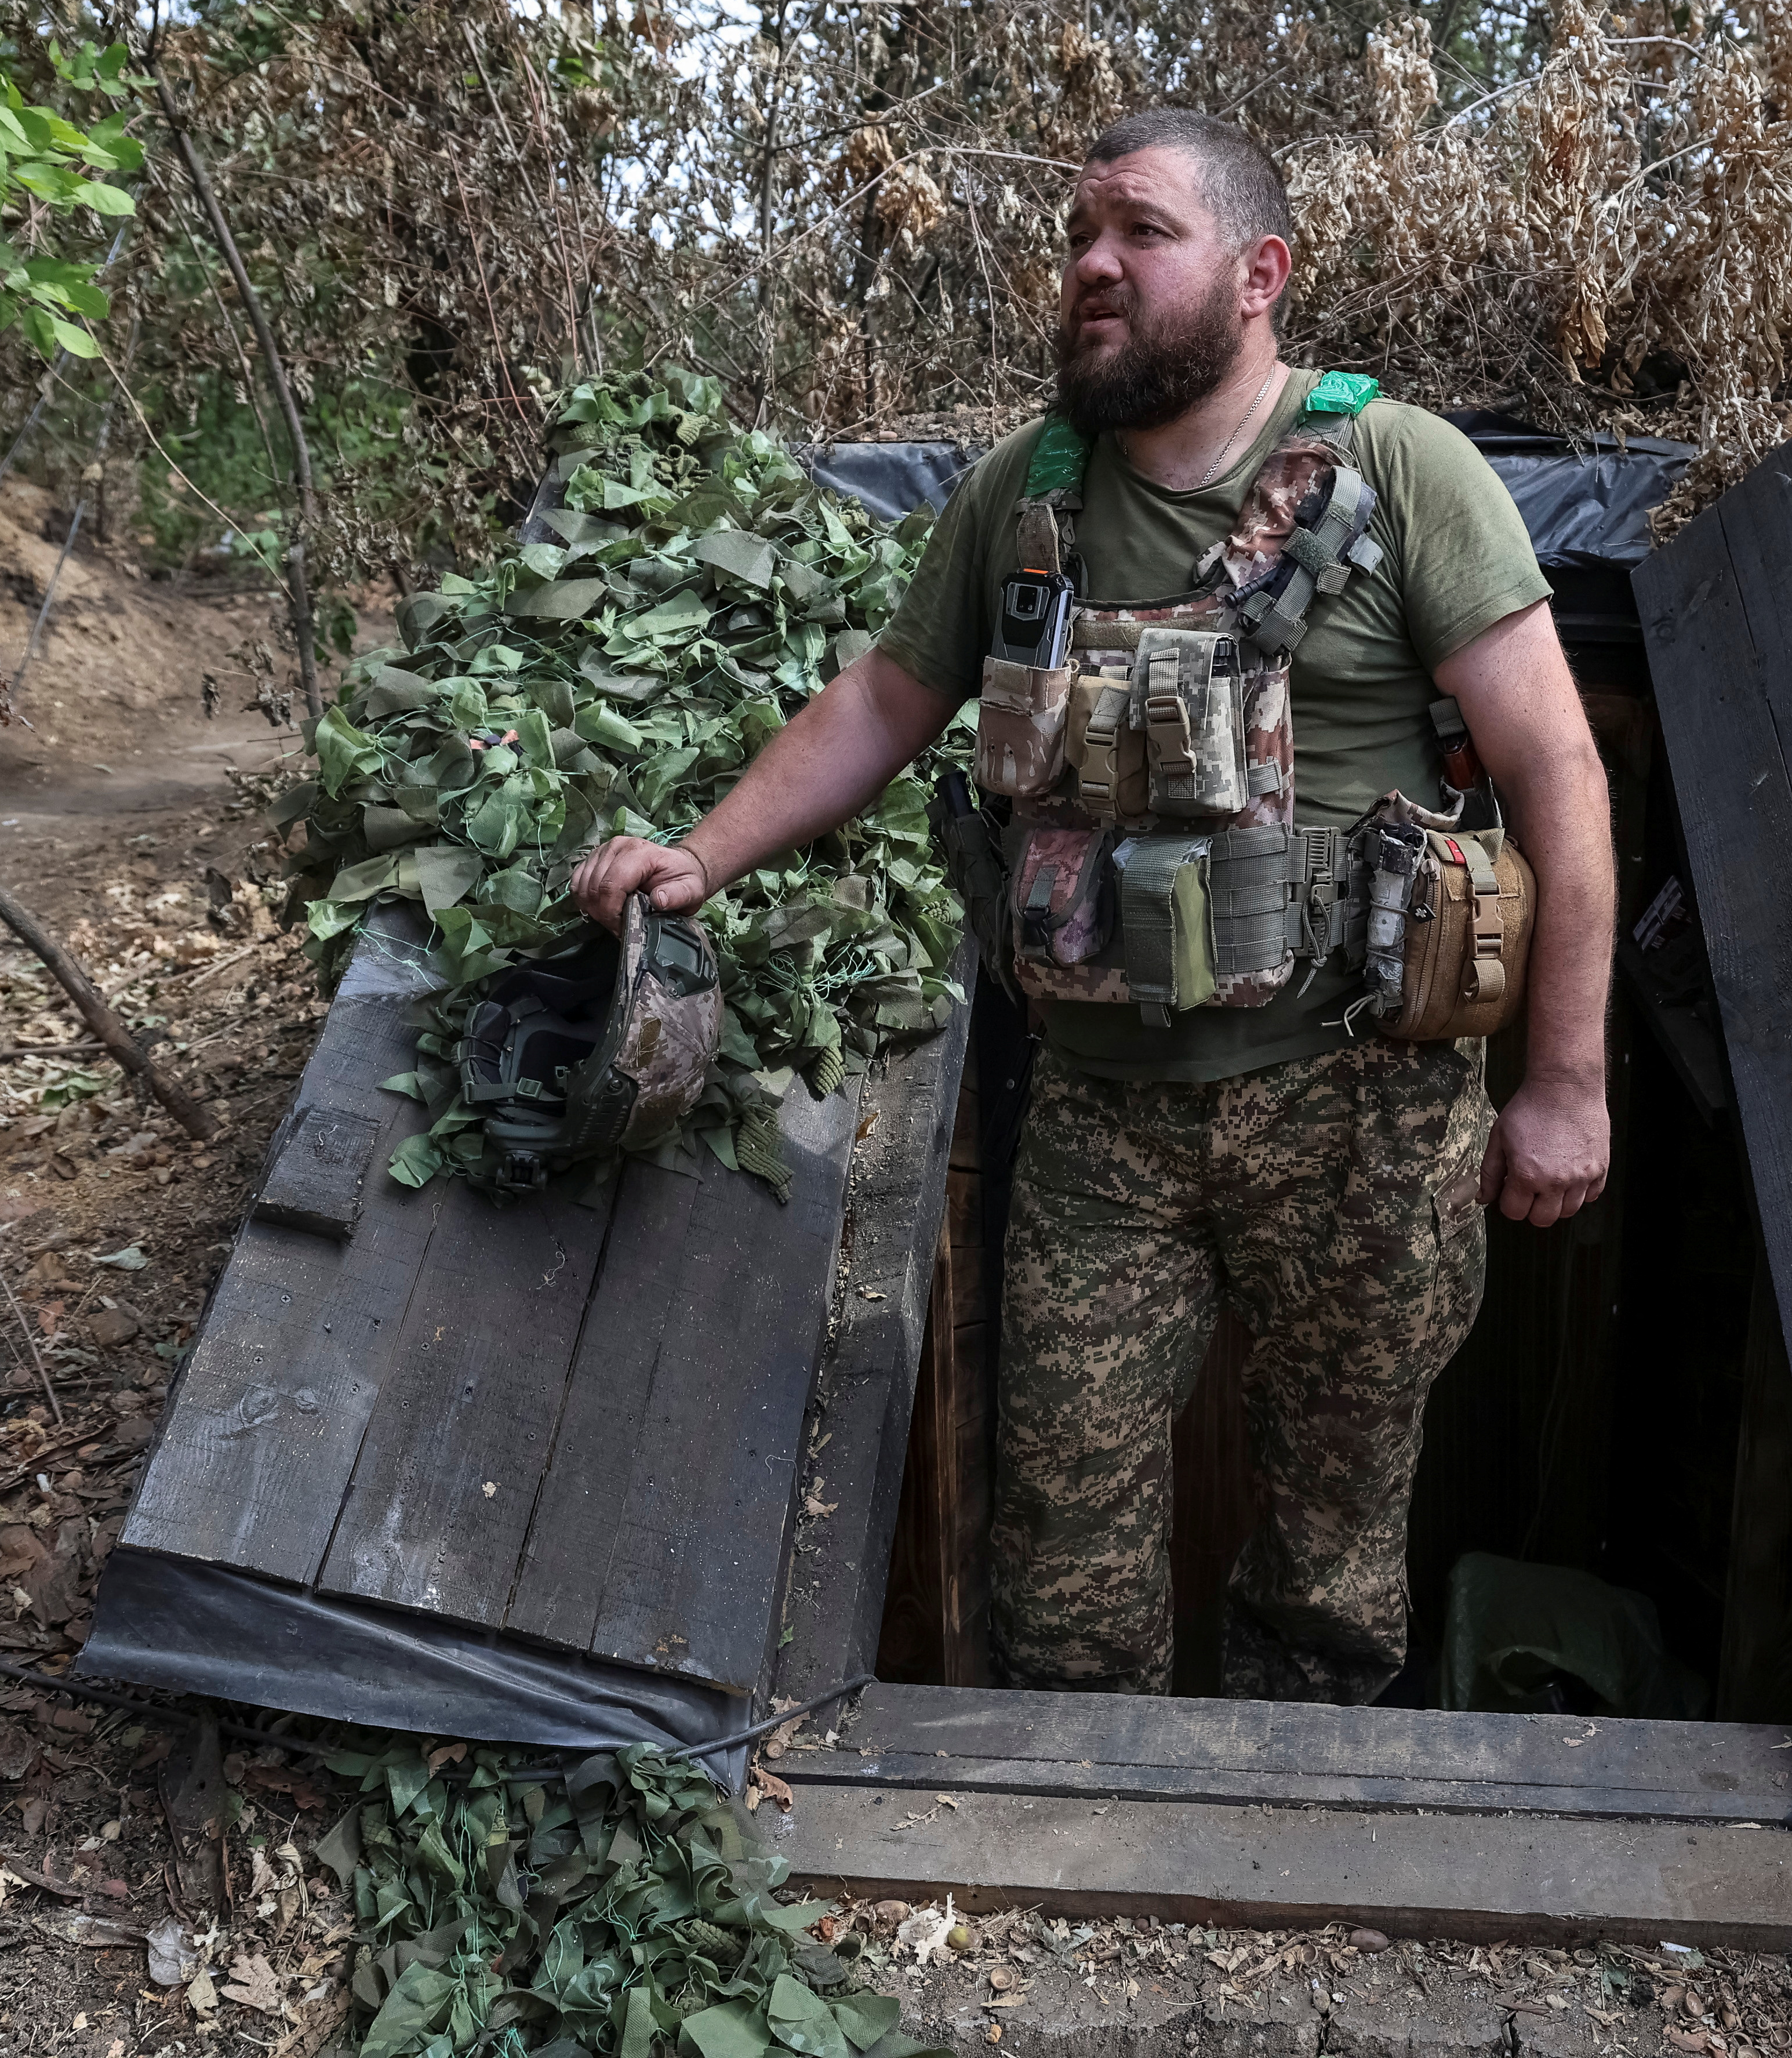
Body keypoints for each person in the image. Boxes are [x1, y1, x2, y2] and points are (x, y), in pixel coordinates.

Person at [573, 107, 1612, 1704]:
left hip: (1363, 1113)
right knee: (1063, 1546)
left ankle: (1293, 1849)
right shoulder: (1024, 494)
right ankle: (1086, 1869)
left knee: (1332, 1545)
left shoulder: (1400, 469)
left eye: (1138, 231)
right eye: (1077, 238)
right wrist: (700, 856)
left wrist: (1562, 1083)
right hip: (1100, 1120)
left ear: (1258, 272)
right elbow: (884, 700)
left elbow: (1557, 770)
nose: (1092, 268)